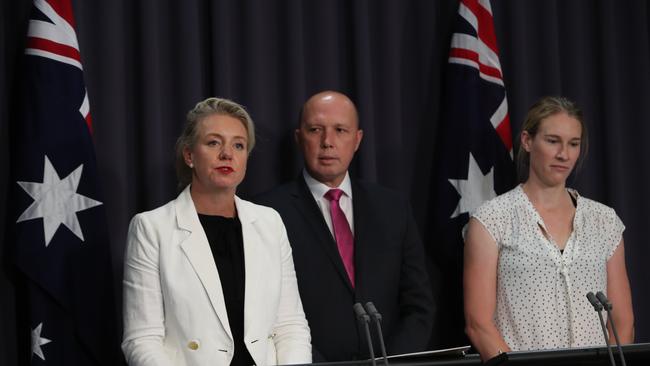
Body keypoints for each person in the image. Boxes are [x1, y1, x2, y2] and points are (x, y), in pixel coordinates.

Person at [121, 97, 311, 366]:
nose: (227, 154)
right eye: (213, 142)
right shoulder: (152, 228)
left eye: (238, 145)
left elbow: (291, 326)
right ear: (189, 155)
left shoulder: (269, 223)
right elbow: (141, 339)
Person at [255, 90, 434, 362]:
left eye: (340, 130)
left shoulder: (393, 207)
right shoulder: (266, 213)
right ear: (299, 137)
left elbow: (419, 305)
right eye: (316, 130)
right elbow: (264, 312)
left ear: (357, 139)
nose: (328, 142)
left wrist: (393, 362)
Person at [463, 96, 635, 361]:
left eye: (573, 144)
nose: (563, 154)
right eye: (553, 141)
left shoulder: (604, 220)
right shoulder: (493, 219)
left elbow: (622, 322)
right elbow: (479, 324)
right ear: (527, 141)